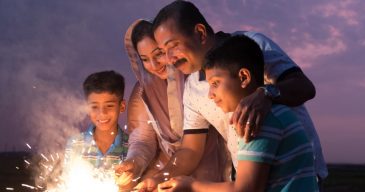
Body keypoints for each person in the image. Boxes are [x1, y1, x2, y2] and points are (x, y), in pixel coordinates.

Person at [150, 0, 328, 190]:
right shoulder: (192, 87)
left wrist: (265, 94)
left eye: (173, 45)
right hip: (252, 172)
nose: (169, 59)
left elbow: (304, 87)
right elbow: (190, 149)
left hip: (296, 170)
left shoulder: (250, 46)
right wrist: (158, 179)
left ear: (200, 33)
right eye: (163, 51)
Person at [114, 19, 229, 191]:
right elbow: (143, 138)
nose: (153, 65)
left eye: (158, 54)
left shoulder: (198, 80)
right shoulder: (144, 90)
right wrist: (134, 162)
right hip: (169, 170)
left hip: (213, 169)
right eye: (145, 59)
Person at [65, 70, 128, 170]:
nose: (102, 113)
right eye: (94, 107)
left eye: (109, 106)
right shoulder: (76, 143)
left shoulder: (132, 146)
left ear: (122, 106)